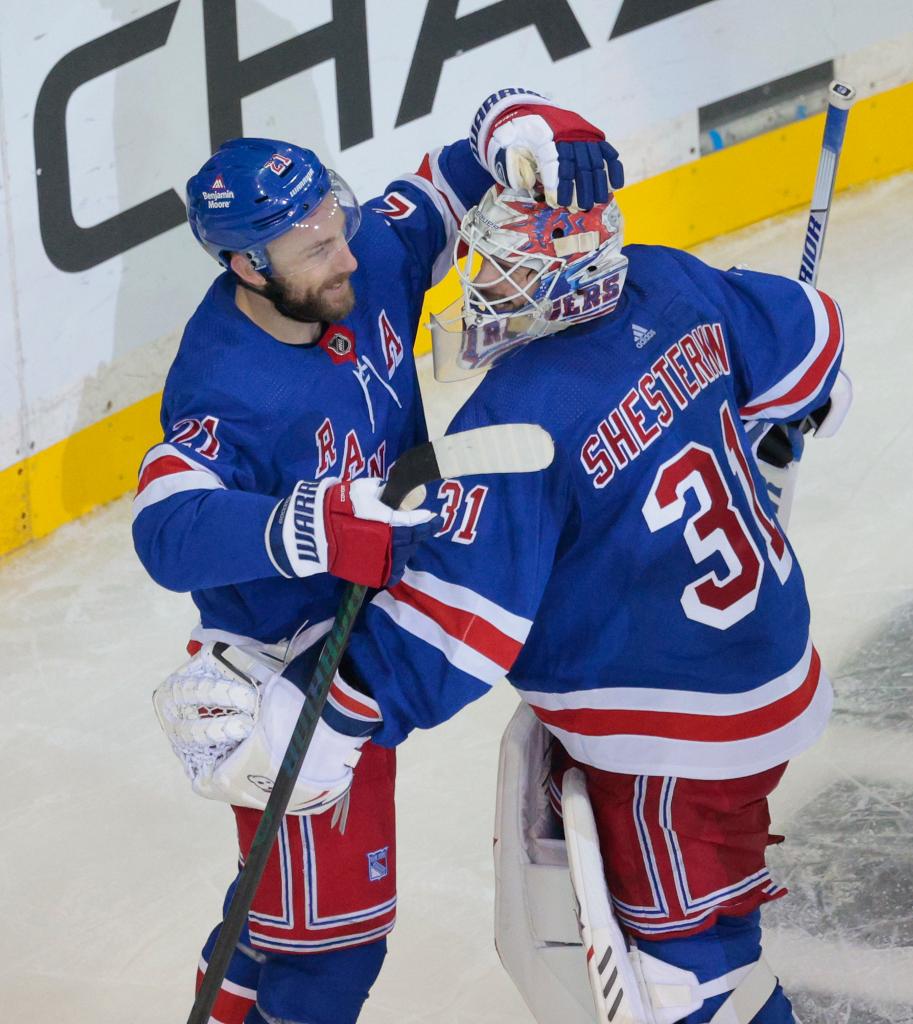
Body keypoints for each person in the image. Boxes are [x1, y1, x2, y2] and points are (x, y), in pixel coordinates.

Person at [308, 178, 851, 1024]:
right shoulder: (670, 283)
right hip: (765, 654)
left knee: (689, 979)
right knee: (692, 920)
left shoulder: (521, 417)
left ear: (566, 278)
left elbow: (457, 625)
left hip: (672, 731)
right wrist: (796, 412)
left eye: (510, 272)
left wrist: (330, 706)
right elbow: (807, 339)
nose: (482, 286)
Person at [132, 90, 622, 1024]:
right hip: (298, 690)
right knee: (328, 959)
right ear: (245, 265)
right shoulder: (223, 379)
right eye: (315, 249)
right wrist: (307, 524)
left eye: (339, 226)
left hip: (373, 653)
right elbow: (165, 522)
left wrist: (520, 121)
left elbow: (451, 177)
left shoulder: (367, 259)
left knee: (276, 923)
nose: (348, 255)